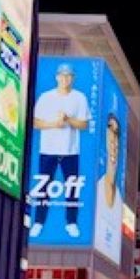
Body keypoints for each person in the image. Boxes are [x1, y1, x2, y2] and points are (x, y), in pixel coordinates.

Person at [28, 63, 91, 239]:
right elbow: (35, 122)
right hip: (48, 149)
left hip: (71, 151)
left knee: (72, 189)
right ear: (56, 77)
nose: (65, 79)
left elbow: (84, 124)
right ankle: (39, 222)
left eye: (69, 76)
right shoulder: (46, 97)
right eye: (62, 76)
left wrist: (69, 119)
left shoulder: (80, 98)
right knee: (44, 188)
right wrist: (53, 124)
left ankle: (71, 223)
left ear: (73, 78)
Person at [94, 113, 124, 264]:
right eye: (110, 130)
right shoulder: (94, 190)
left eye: (116, 133)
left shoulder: (119, 199)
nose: (114, 140)